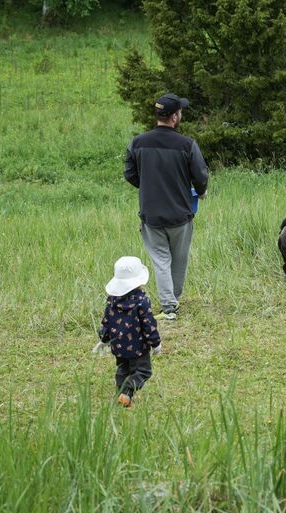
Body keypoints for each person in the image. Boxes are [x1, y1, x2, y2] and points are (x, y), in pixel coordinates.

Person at [124, 93, 209, 320]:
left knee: (161, 260)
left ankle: (169, 304)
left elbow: (129, 174)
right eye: (180, 112)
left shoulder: (137, 143)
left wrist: (149, 186)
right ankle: (172, 300)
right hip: (181, 214)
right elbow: (201, 175)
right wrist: (201, 192)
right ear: (174, 117)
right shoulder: (187, 145)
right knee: (179, 259)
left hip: (151, 215)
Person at [95, 256, 161, 408]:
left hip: (118, 346)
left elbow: (106, 320)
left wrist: (104, 339)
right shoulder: (142, 301)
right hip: (138, 347)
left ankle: (122, 396)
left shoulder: (112, 300)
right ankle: (127, 391)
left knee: (123, 369)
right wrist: (155, 343)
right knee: (143, 371)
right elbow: (148, 324)